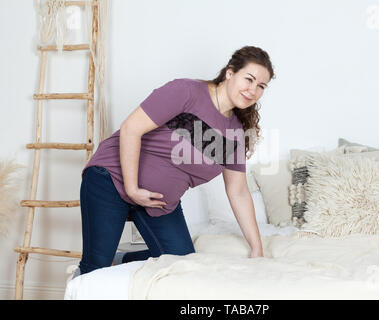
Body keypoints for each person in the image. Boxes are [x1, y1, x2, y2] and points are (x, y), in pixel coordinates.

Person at [72, 45, 275, 278]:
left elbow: (238, 190)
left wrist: (257, 248)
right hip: (111, 179)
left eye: (261, 86)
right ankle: (100, 266)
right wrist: (132, 188)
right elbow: (131, 129)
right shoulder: (187, 92)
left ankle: (122, 262)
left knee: (183, 264)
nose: (253, 90)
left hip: (158, 203)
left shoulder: (236, 133)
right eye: (248, 79)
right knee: (96, 267)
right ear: (230, 73)